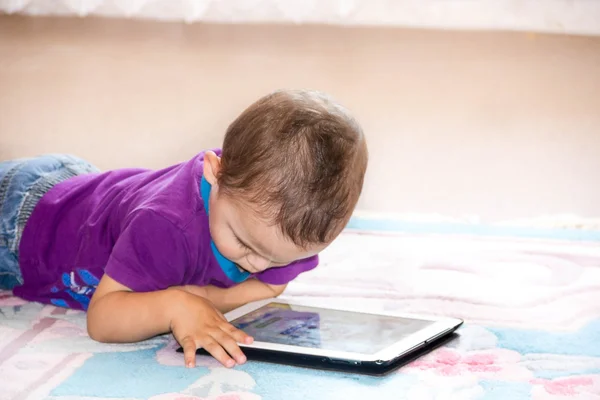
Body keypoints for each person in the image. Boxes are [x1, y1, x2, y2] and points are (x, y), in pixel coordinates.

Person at [0, 89, 368, 368]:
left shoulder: (286, 228)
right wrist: (176, 304)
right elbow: (103, 320)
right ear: (214, 172)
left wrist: (201, 296)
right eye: (244, 244)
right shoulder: (165, 226)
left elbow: (272, 285)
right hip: (23, 222)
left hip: (83, 196)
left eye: (277, 258)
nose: (256, 266)